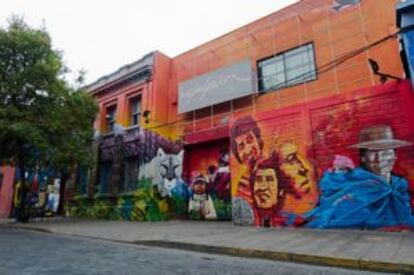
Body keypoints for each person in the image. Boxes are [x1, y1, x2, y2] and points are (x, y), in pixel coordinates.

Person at [306, 125, 414, 230]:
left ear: (395, 155)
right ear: (362, 157)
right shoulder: (354, 183)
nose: (380, 158)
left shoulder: (399, 185)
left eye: (386, 152)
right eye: (373, 152)